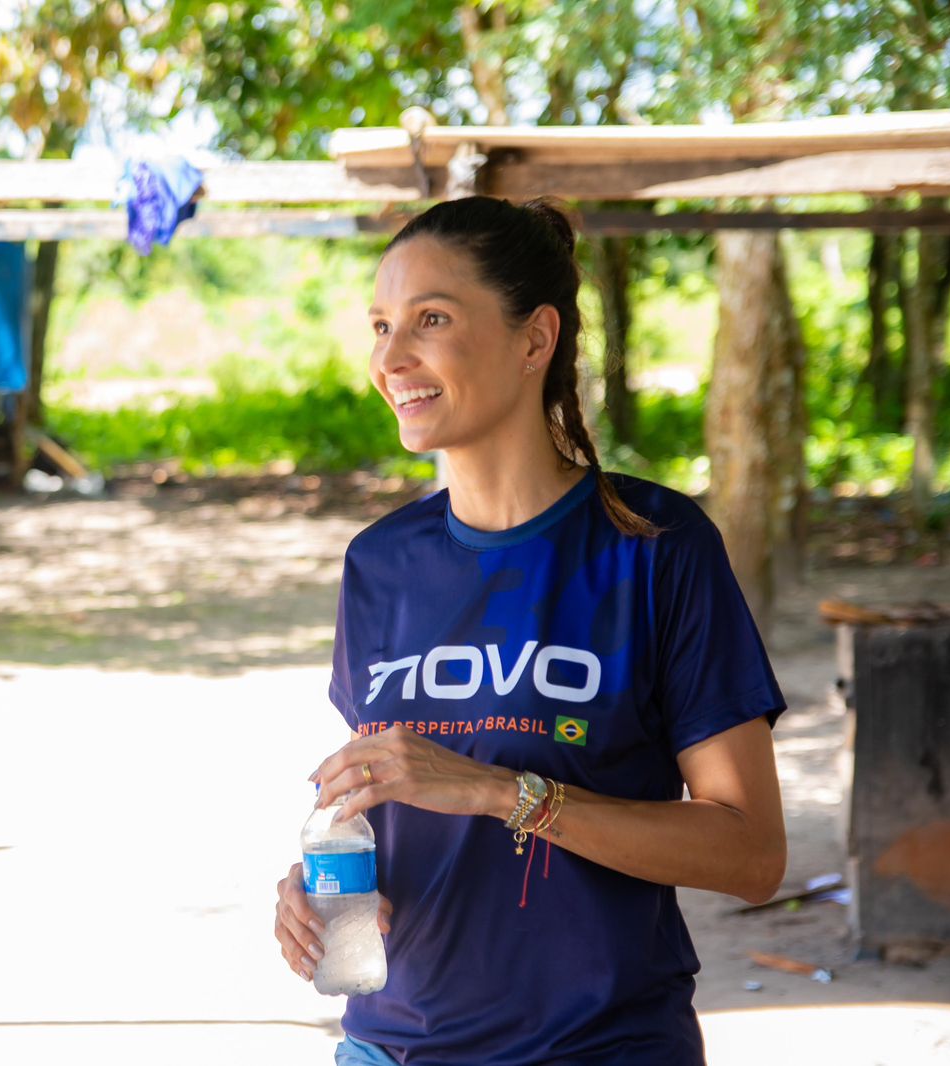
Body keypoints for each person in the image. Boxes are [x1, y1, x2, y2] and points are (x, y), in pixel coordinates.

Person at [273, 196, 788, 1066]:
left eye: (431, 319)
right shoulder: (379, 563)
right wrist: (317, 884)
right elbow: (395, 799)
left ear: (534, 339)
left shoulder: (655, 548)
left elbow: (752, 854)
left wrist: (499, 791)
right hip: (391, 1045)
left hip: (600, 1046)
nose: (390, 359)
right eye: (382, 326)